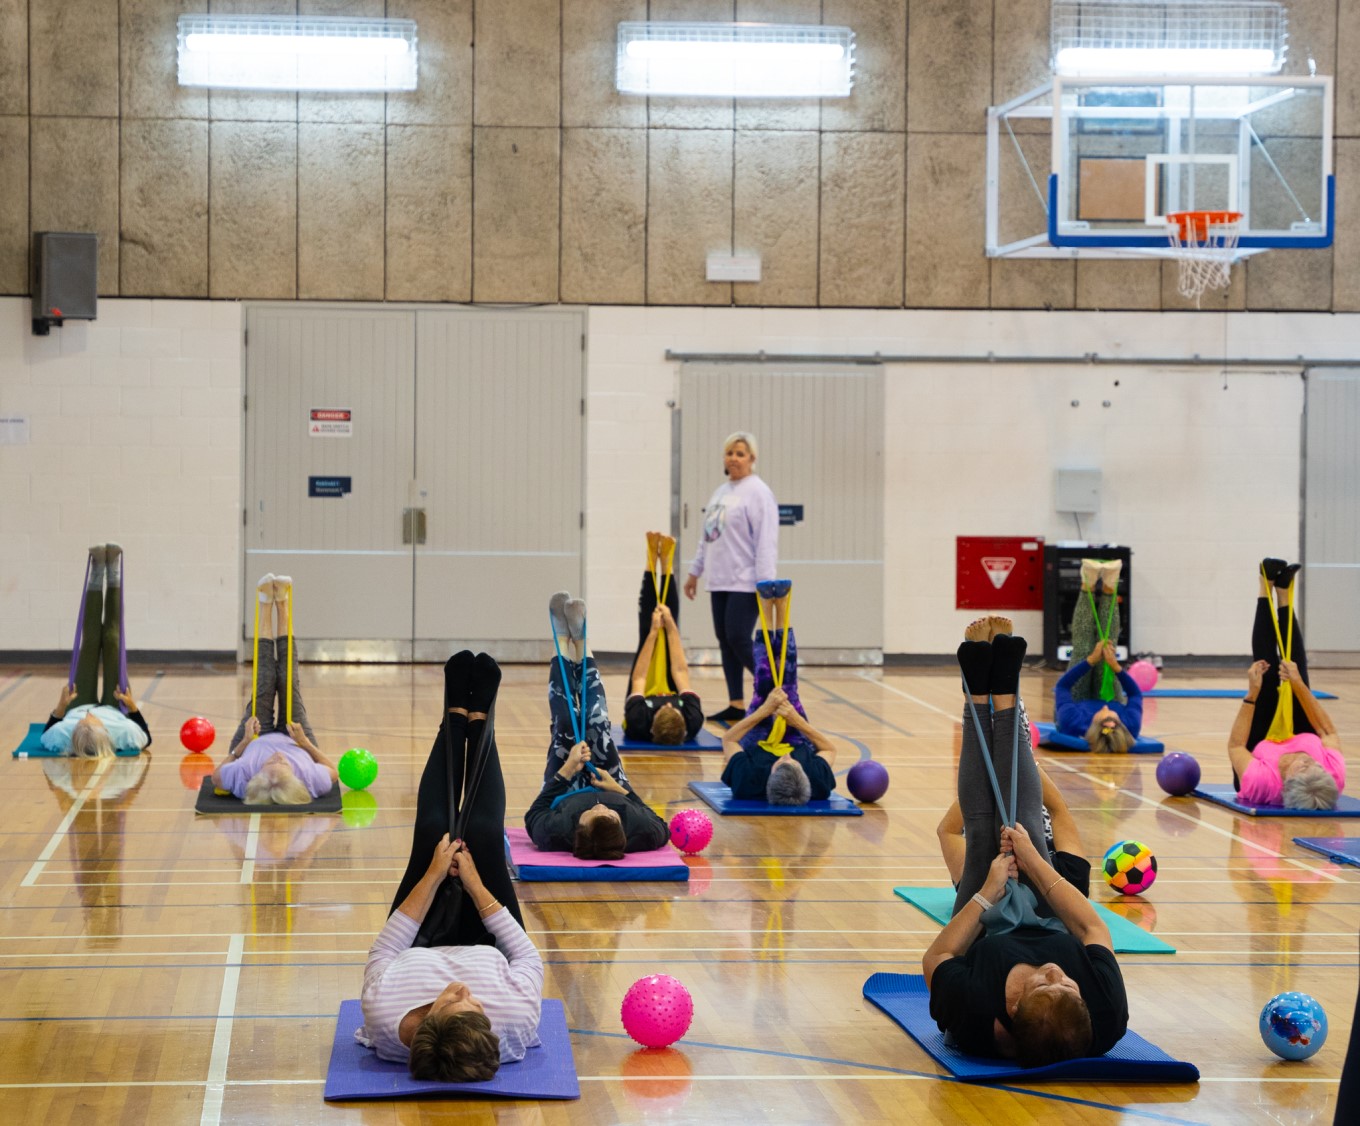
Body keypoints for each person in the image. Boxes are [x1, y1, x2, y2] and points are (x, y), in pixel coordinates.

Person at [925, 616, 1128, 1068]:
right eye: (1068, 985)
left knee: (981, 831)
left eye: (1043, 985)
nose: (1057, 972)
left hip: (982, 927)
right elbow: (1093, 930)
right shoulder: (1106, 1016)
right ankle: (1005, 693)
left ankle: (976, 693)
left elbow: (939, 956)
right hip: (1050, 910)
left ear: (1011, 1011)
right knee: (1026, 824)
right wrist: (1036, 862)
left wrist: (984, 894)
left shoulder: (974, 1014)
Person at [358, 650, 543, 1082]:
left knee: (435, 828)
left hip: (417, 941)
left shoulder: (385, 1014)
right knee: (481, 831)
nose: (465, 991)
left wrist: (435, 872)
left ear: (425, 1024)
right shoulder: (514, 1020)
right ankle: (482, 720)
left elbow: (385, 950)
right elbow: (525, 955)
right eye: (478, 1005)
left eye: (452, 1001)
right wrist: (477, 886)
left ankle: (455, 716)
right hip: (489, 942)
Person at [527, 593, 670, 858]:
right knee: (597, 721)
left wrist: (569, 768)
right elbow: (660, 823)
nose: (601, 808)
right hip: (611, 781)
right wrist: (618, 790)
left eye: (593, 815)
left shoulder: (555, 832)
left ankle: (561, 639)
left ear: (578, 828)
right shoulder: (644, 832)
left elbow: (535, 813)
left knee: (566, 724)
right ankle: (582, 641)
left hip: (564, 789)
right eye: (610, 815)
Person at [1228, 560, 1344, 810]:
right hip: (1303, 736)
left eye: (1304, 767)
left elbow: (1236, 746)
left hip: (1260, 749)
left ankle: (1264, 585)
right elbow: (1327, 732)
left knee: (1266, 672)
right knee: (1295, 668)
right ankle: (1283, 593)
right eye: (1316, 766)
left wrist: (1252, 695)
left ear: (1287, 781)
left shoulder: (1261, 782)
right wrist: (1299, 682)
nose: (1309, 761)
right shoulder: (1332, 774)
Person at [211, 576, 337, 805]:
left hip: (253, 740)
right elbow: (333, 773)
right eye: (283, 764)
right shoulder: (310, 779)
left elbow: (216, 777)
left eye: (270, 763)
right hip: (297, 741)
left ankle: (264, 602)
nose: (278, 756)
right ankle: (282, 603)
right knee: (289, 680)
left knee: (265, 680)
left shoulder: (243, 777)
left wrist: (244, 743)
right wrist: (305, 743)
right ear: (296, 777)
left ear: (257, 775)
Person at [683, 431, 779, 722]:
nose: (734, 458)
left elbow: (766, 542)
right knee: (725, 639)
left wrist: (766, 584)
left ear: (752, 459)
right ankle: (737, 703)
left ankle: (775, 692)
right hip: (720, 579)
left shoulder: (759, 492)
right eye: (730, 453)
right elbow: (707, 537)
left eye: (740, 454)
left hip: (746, 581)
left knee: (739, 637)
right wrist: (694, 572)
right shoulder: (720, 492)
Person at [720, 584, 837, 805]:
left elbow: (728, 739)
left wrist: (764, 711)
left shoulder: (748, 781)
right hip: (796, 734)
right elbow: (829, 749)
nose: (786, 756)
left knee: (764, 686)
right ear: (804, 775)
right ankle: (782, 608)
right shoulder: (817, 781)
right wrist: (797, 721)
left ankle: (766, 609)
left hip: (758, 741)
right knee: (788, 685)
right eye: (792, 762)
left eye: (781, 763)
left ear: (770, 776)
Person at [41, 544, 152, 757]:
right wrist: (131, 706)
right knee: (111, 639)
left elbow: (47, 734)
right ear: (103, 732)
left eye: (82, 724)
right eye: (91, 722)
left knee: (91, 640)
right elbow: (146, 736)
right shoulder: (122, 732)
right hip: (115, 706)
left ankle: (97, 569)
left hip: (77, 703)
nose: (88, 718)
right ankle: (113, 570)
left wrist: (61, 707)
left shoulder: (65, 733)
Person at [622, 531, 704, 745]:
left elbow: (639, 677)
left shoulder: (638, 720)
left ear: (654, 720)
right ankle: (666, 564)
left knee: (647, 630)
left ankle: (651, 559)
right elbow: (679, 670)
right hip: (671, 682)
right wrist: (670, 625)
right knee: (668, 631)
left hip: (644, 689)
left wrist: (652, 632)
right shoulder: (692, 719)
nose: (667, 704)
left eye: (664, 709)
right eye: (672, 708)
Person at [1052, 559, 1141, 753]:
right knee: (1108, 647)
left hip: (1075, 701)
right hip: (1108, 694)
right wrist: (1116, 666)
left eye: (1103, 716)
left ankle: (1088, 582)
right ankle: (1110, 585)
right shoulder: (1130, 725)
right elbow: (1135, 694)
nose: (1106, 709)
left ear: (1094, 727)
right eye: (1114, 717)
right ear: (1120, 724)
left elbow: (1063, 686)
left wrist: (1089, 661)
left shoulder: (1072, 722)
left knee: (1084, 648)